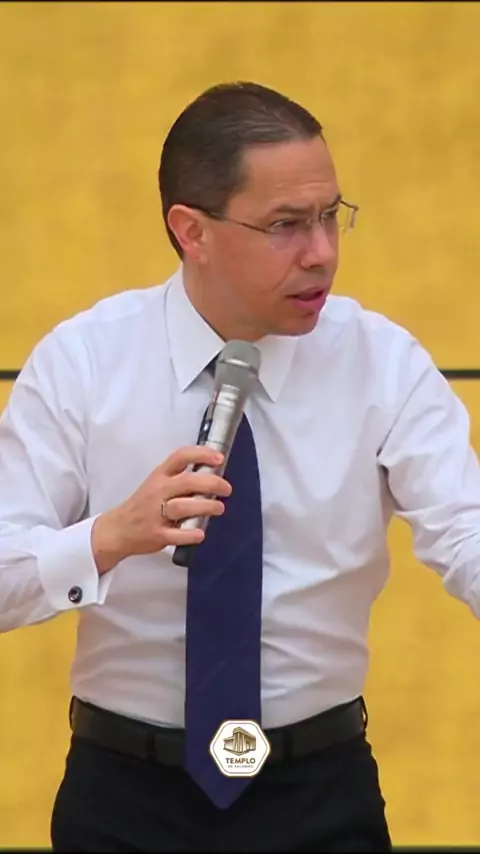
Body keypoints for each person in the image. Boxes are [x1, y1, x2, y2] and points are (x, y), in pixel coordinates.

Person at [1, 80, 479, 854]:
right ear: (191, 231)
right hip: (125, 797)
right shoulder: (84, 363)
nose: (322, 252)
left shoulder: (382, 363)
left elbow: (467, 531)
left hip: (320, 792)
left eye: (330, 216)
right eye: (286, 225)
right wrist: (108, 536)